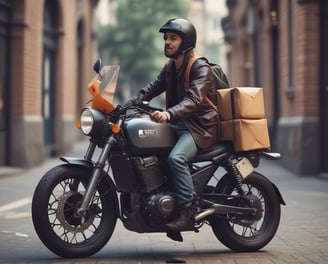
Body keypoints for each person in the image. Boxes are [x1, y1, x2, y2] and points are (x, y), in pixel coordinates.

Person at [132, 18, 218, 231]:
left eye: (173, 38)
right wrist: (130, 103)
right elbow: (152, 88)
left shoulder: (200, 67)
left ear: (186, 41)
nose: (167, 42)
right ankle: (164, 202)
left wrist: (168, 114)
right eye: (166, 38)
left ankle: (187, 212)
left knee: (176, 158)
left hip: (200, 127)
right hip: (181, 123)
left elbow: (194, 99)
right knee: (152, 148)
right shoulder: (171, 67)